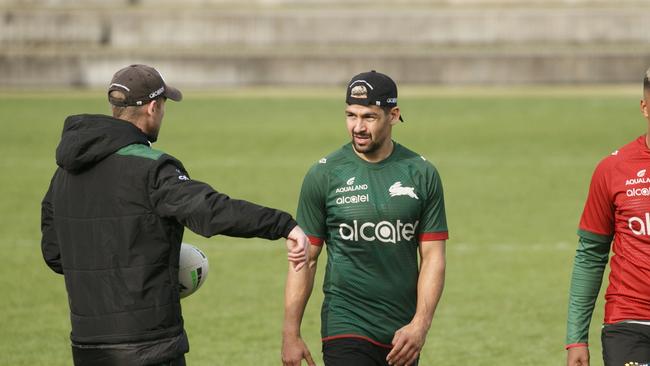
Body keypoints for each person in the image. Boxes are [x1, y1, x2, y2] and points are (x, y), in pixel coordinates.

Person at [40, 64, 309, 366]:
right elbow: (211, 210)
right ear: (153, 108)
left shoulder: (62, 174)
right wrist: (282, 224)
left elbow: (55, 254)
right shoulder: (152, 168)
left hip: (87, 345)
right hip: (148, 346)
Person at [281, 70, 448, 366]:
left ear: (393, 115)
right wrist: (290, 333)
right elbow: (305, 258)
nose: (357, 126)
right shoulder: (324, 174)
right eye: (351, 115)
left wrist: (420, 325)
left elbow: (433, 257)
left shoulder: (422, 173)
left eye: (369, 117)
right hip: (344, 324)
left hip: (402, 332)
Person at [566, 68, 650, 366]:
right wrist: (576, 338)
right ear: (644, 107)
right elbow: (590, 255)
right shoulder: (613, 168)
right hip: (628, 322)